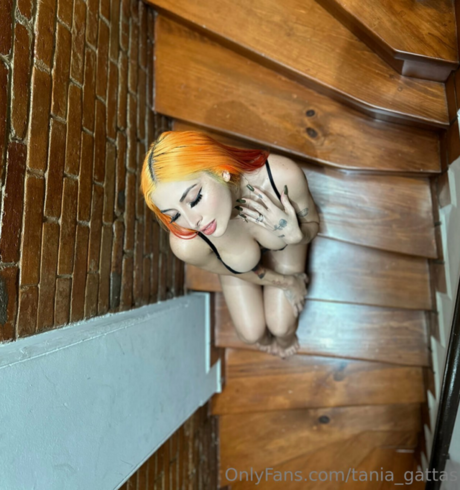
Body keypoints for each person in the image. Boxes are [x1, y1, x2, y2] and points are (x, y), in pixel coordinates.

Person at [140, 130, 319, 358]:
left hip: (288, 242)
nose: (193, 222)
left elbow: (312, 224)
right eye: (174, 215)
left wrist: (296, 235)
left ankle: (286, 341)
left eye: (195, 199)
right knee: (251, 334)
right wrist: (288, 282)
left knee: (282, 326)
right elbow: (232, 270)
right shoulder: (187, 243)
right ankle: (269, 339)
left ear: (221, 170)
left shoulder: (281, 177)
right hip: (239, 263)